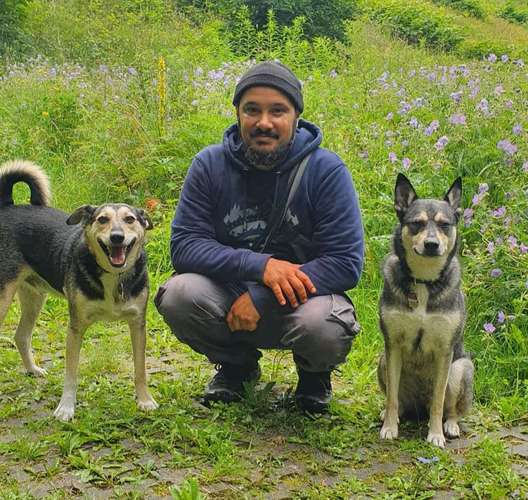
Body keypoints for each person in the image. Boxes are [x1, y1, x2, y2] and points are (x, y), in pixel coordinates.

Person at [155, 61, 364, 413]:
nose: (264, 122)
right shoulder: (209, 165)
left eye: (277, 111)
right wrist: (261, 267)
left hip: (303, 301)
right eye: (252, 109)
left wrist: (264, 295)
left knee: (323, 325)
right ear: (237, 112)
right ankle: (237, 367)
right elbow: (185, 245)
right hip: (228, 296)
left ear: (296, 115)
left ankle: (314, 376)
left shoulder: (327, 171)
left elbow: (345, 263)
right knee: (178, 294)